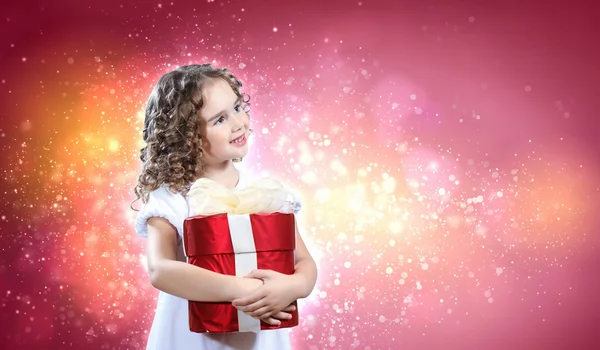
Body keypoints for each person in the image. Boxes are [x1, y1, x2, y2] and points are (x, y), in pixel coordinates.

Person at [131, 64, 317, 350]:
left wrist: (293, 287)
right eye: (219, 119)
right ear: (187, 137)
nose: (238, 122)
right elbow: (161, 269)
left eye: (238, 107)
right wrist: (246, 291)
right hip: (192, 342)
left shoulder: (266, 194)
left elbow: (303, 262)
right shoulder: (173, 198)